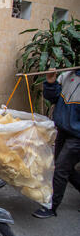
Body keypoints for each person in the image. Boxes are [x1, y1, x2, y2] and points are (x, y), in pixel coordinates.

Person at [32, 68, 80, 218]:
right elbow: (52, 98)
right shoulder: (67, 75)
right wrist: (51, 82)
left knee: (60, 169)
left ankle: (51, 207)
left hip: (78, 136)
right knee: (65, 168)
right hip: (64, 130)